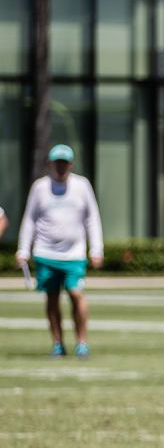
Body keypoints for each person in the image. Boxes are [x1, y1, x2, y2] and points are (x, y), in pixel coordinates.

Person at [16, 145, 103, 359]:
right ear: (51, 164)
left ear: (71, 164)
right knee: (52, 299)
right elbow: (29, 219)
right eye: (57, 163)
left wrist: (97, 248)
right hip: (46, 252)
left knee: (76, 294)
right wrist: (23, 249)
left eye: (65, 163)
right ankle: (58, 344)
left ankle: (82, 342)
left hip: (74, 254)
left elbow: (92, 218)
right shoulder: (40, 187)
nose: (61, 167)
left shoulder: (82, 186)